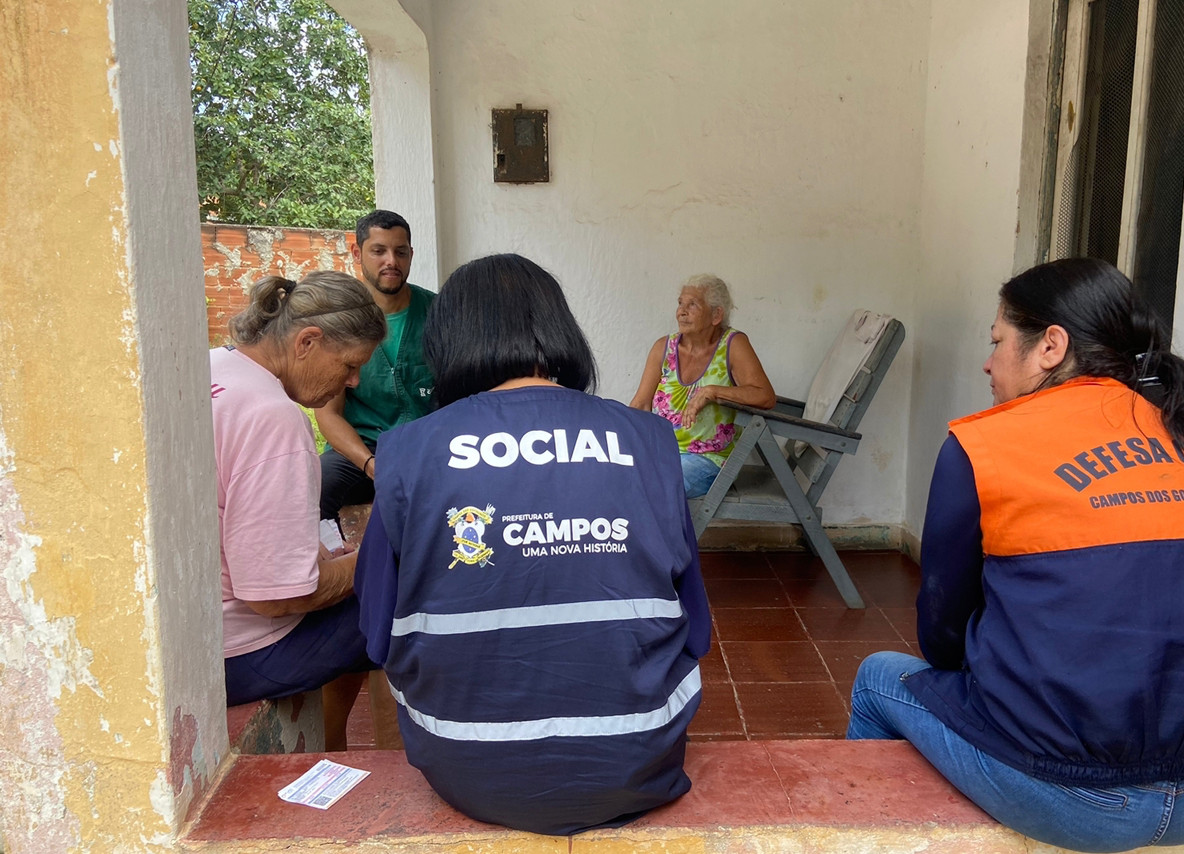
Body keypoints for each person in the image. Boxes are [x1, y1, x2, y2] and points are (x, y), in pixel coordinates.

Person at [846, 258, 1184, 853]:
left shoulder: (986, 443)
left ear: (1051, 345)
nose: (988, 362)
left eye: (998, 341)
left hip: (1073, 796)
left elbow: (942, 639)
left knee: (878, 679)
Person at [355, 254, 711, 835]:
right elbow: (696, 628)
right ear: (560, 328)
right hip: (634, 758)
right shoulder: (648, 439)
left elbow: (375, 633)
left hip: (467, 764)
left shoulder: (408, 451)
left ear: (450, 339)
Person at [212, 272, 388, 748]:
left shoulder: (213, 369)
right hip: (236, 654)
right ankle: (400, 770)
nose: (350, 382)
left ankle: (335, 742)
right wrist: (375, 559)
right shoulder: (274, 417)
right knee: (405, 594)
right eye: (349, 366)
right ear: (308, 341)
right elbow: (274, 600)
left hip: (192, 637)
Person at [316, 209, 435, 522]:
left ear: (411, 254)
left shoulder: (440, 314)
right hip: (361, 452)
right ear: (357, 252)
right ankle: (326, 565)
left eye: (400, 252)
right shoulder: (338, 320)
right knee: (316, 483)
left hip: (427, 449)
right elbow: (328, 414)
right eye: (379, 251)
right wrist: (370, 464)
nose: (391, 262)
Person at [629, 274, 776, 498]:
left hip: (708, 459)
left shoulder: (733, 345)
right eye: (680, 303)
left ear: (716, 315)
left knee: (654, 490)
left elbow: (765, 396)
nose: (681, 311)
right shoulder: (664, 348)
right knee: (614, 479)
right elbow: (641, 403)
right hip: (659, 453)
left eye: (693, 305)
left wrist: (711, 391)